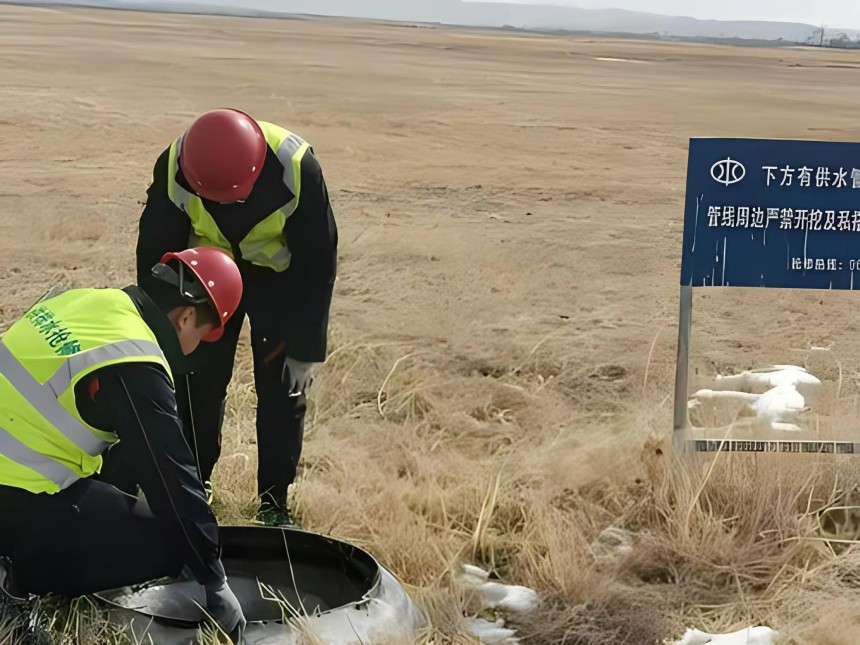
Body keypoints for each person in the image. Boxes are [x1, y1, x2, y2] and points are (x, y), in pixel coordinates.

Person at [0, 246, 247, 642]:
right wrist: (214, 579)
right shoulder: (135, 356)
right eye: (202, 336)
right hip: (13, 498)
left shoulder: (88, 302)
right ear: (185, 318)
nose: (198, 347)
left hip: (11, 474)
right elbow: (171, 473)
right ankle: (11, 579)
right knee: (169, 543)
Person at [134, 107, 339, 527]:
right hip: (205, 282)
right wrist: (164, 333)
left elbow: (318, 264)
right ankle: (193, 484)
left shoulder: (297, 168)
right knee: (196, 382)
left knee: (283, 389)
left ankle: (273, 501)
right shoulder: (176, 165)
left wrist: (304, 348)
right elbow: (155, 253)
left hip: (277, 284)